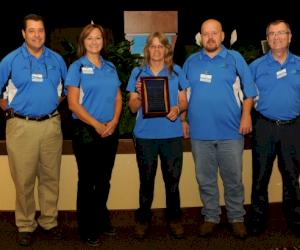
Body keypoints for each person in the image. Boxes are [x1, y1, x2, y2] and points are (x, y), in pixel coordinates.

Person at [183, 19, 257, 239]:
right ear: (200, 37)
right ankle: (211, 217)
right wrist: (183, 120)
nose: (210, 37)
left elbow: (249, 90)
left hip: (231, 133)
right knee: (205, 179)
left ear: (222, 36)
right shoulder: (191, 62)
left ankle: (236, 218)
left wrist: (246, 116)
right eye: (206, 34)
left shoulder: (235, 59)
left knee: (233, 179)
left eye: (214, 33)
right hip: (199, 134)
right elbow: (183, 94)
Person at [0, 14, 67, 247]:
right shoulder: (9, 61)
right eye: (32, 30)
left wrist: (46, 106)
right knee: (24, 179)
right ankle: (26, 224)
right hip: (21, 127)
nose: (37, 35)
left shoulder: (57, 59)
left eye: (40, 30)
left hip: (51, 126)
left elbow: (64, 92)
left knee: (51, 177)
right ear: (23, 34)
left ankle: (49, 221)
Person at [127, 32, 189, 239]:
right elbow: (133, 107)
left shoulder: (176, 72)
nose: (156, 50)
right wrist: (140, 95)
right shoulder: (138, 73)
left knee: (172, 181)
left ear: (166, 50)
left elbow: (184, 101)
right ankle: (143, 219)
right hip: (145, 136)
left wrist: (177, 110)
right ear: (147, 50)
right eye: (152, 46)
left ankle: (175, 219)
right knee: (146, 181)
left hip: (171, 135)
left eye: (160, 46)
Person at [65, 23, 122, 247]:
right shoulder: (77, 68)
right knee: (88, 181)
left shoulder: (110, 67)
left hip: (110, 130)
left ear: (103, 41)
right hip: (87, 131)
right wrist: (97, 124)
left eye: (98, 38)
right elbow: (72, 104)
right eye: (90, 38)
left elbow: (118, 98)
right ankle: (87, 228)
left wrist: (115, 121)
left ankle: (100, 219)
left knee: (104, 180)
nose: (94, 42)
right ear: (83, 42)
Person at [248, 20, 300, 236]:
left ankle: (295, 219)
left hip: (293, 128)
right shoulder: (256, 66)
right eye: (272, 34)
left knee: (291, 177)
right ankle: (258, 220)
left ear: (289, 36)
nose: (276, 37)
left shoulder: (299, 63)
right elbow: (247, 97)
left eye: (281, 33)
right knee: (260, 177)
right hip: (264, 127)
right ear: (267, 39)